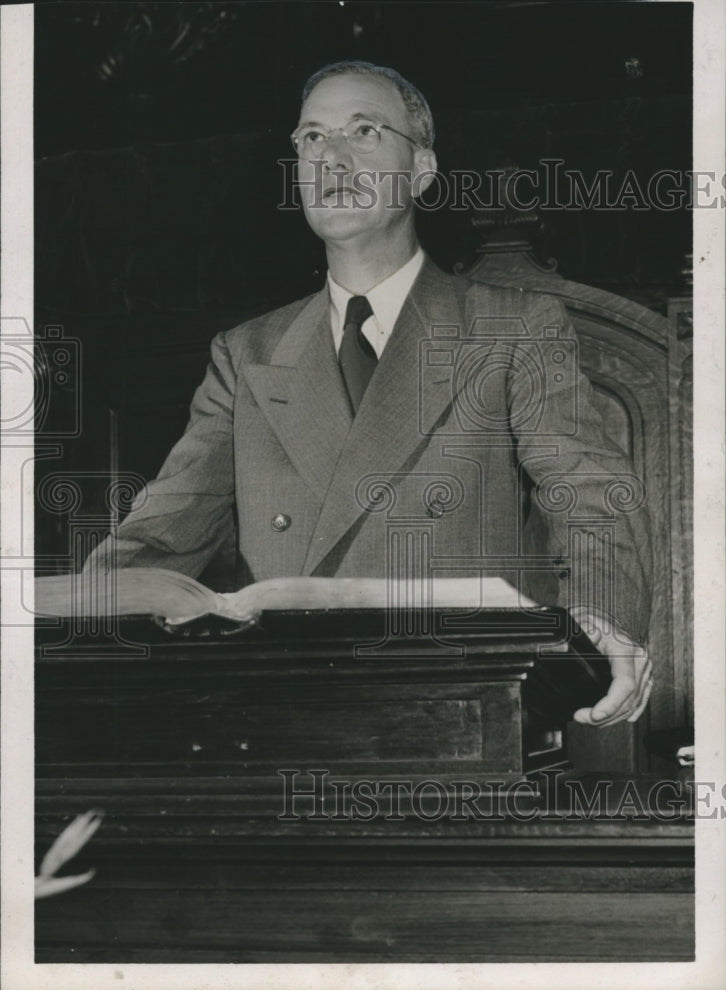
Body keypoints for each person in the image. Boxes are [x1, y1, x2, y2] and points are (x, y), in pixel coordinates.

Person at [87, 60, 654, 727]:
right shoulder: (247, 353)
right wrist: (66, 610)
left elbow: (590, 495)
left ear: (420, 170)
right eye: (311, 138)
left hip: (460, 709)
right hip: (281, 714)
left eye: (363, 131)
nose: (332, 157)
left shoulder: (512, 328)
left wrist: (606, 615)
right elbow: (163, 528)